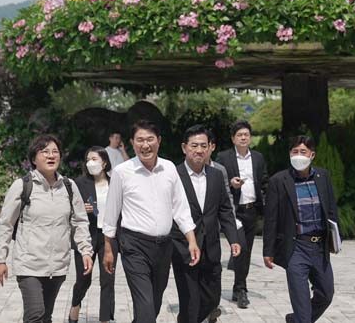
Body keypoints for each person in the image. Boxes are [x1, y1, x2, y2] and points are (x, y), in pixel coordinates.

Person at [102, 120, 200, 323]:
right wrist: (108, 249)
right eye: (140, 140)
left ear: (159, 141)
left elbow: (180, 207)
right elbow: (111, 214)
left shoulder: (169, 168)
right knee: (146, 309)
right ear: (132, 142)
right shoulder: (122, 172)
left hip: (164, 247)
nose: (145, 145)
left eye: (150, 139)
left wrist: (191, 239)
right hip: (134, 246)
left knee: (153, 304)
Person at [0, 135, 93, 323]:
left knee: (46, 316)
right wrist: (1, 259)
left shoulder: (69, 187)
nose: (51, 155)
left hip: (57, 266)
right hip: (29, 264)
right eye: (45, 151)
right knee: (35, 315)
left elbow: (80, 221)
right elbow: (6, 224)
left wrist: (86, 250)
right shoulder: (22, 186)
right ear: (33, 159)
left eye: (55, 152)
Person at [263, 135, 339, 323]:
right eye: (295, 152)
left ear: (312, 155)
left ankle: (296, 320)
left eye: (303, 152)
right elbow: (271, 219)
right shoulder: (278, 181)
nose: (298, 155)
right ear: (289, 154)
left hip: (320, 248)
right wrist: (268, 251)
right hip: (296, 247)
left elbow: (331, 210)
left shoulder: (323, 176)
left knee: (326, 294)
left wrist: (336, 239)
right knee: (302, 304)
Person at [171, 126, 240, 323]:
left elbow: (225, 209)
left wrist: (233, 238)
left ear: (210, 148)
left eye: (203, 145)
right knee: (190, 301)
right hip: (184, 249)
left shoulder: (217, 175)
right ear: (184, 147)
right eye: (194, 145)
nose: (199, 150)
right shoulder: (173, 175)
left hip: (211, 248)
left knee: (212, 299)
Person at [215, 120, 267, 308]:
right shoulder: (224, 157)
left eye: (246, 134)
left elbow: (264, 181)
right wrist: (230, 182)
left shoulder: (258, 157)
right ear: (233, 138)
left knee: (247, 251)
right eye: (239, 135)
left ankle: (239, 288)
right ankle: (241, 289)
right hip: (233, 211)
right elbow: (216, 181)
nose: (243, 138)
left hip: (251, 210)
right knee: (242, 248)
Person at [68, 147, 117, 323]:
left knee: (108, 280)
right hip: (86, 235)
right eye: (88, 159)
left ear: (104, 162)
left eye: (94, 159)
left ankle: (105, 318)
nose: (91, 163)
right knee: (83, 278)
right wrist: (80, 208)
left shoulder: (115, 182)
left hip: (108, 237)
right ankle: (75, 305)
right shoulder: (79, 183)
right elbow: (68, 208)